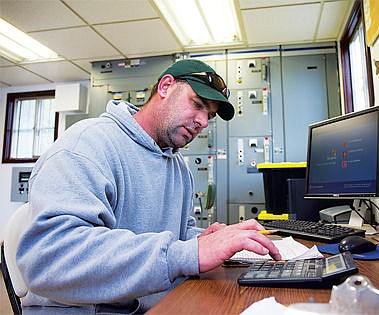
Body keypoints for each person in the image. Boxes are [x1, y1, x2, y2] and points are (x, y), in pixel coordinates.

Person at [16, 59, 281, 314]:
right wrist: (189, 253)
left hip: (156, 303)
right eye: (197, 104)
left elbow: (176, 236)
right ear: (165, 87)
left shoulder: (179, 168)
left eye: (209, 115)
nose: (202, 121)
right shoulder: (88, 145)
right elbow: (50, 259)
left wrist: (202, 240)